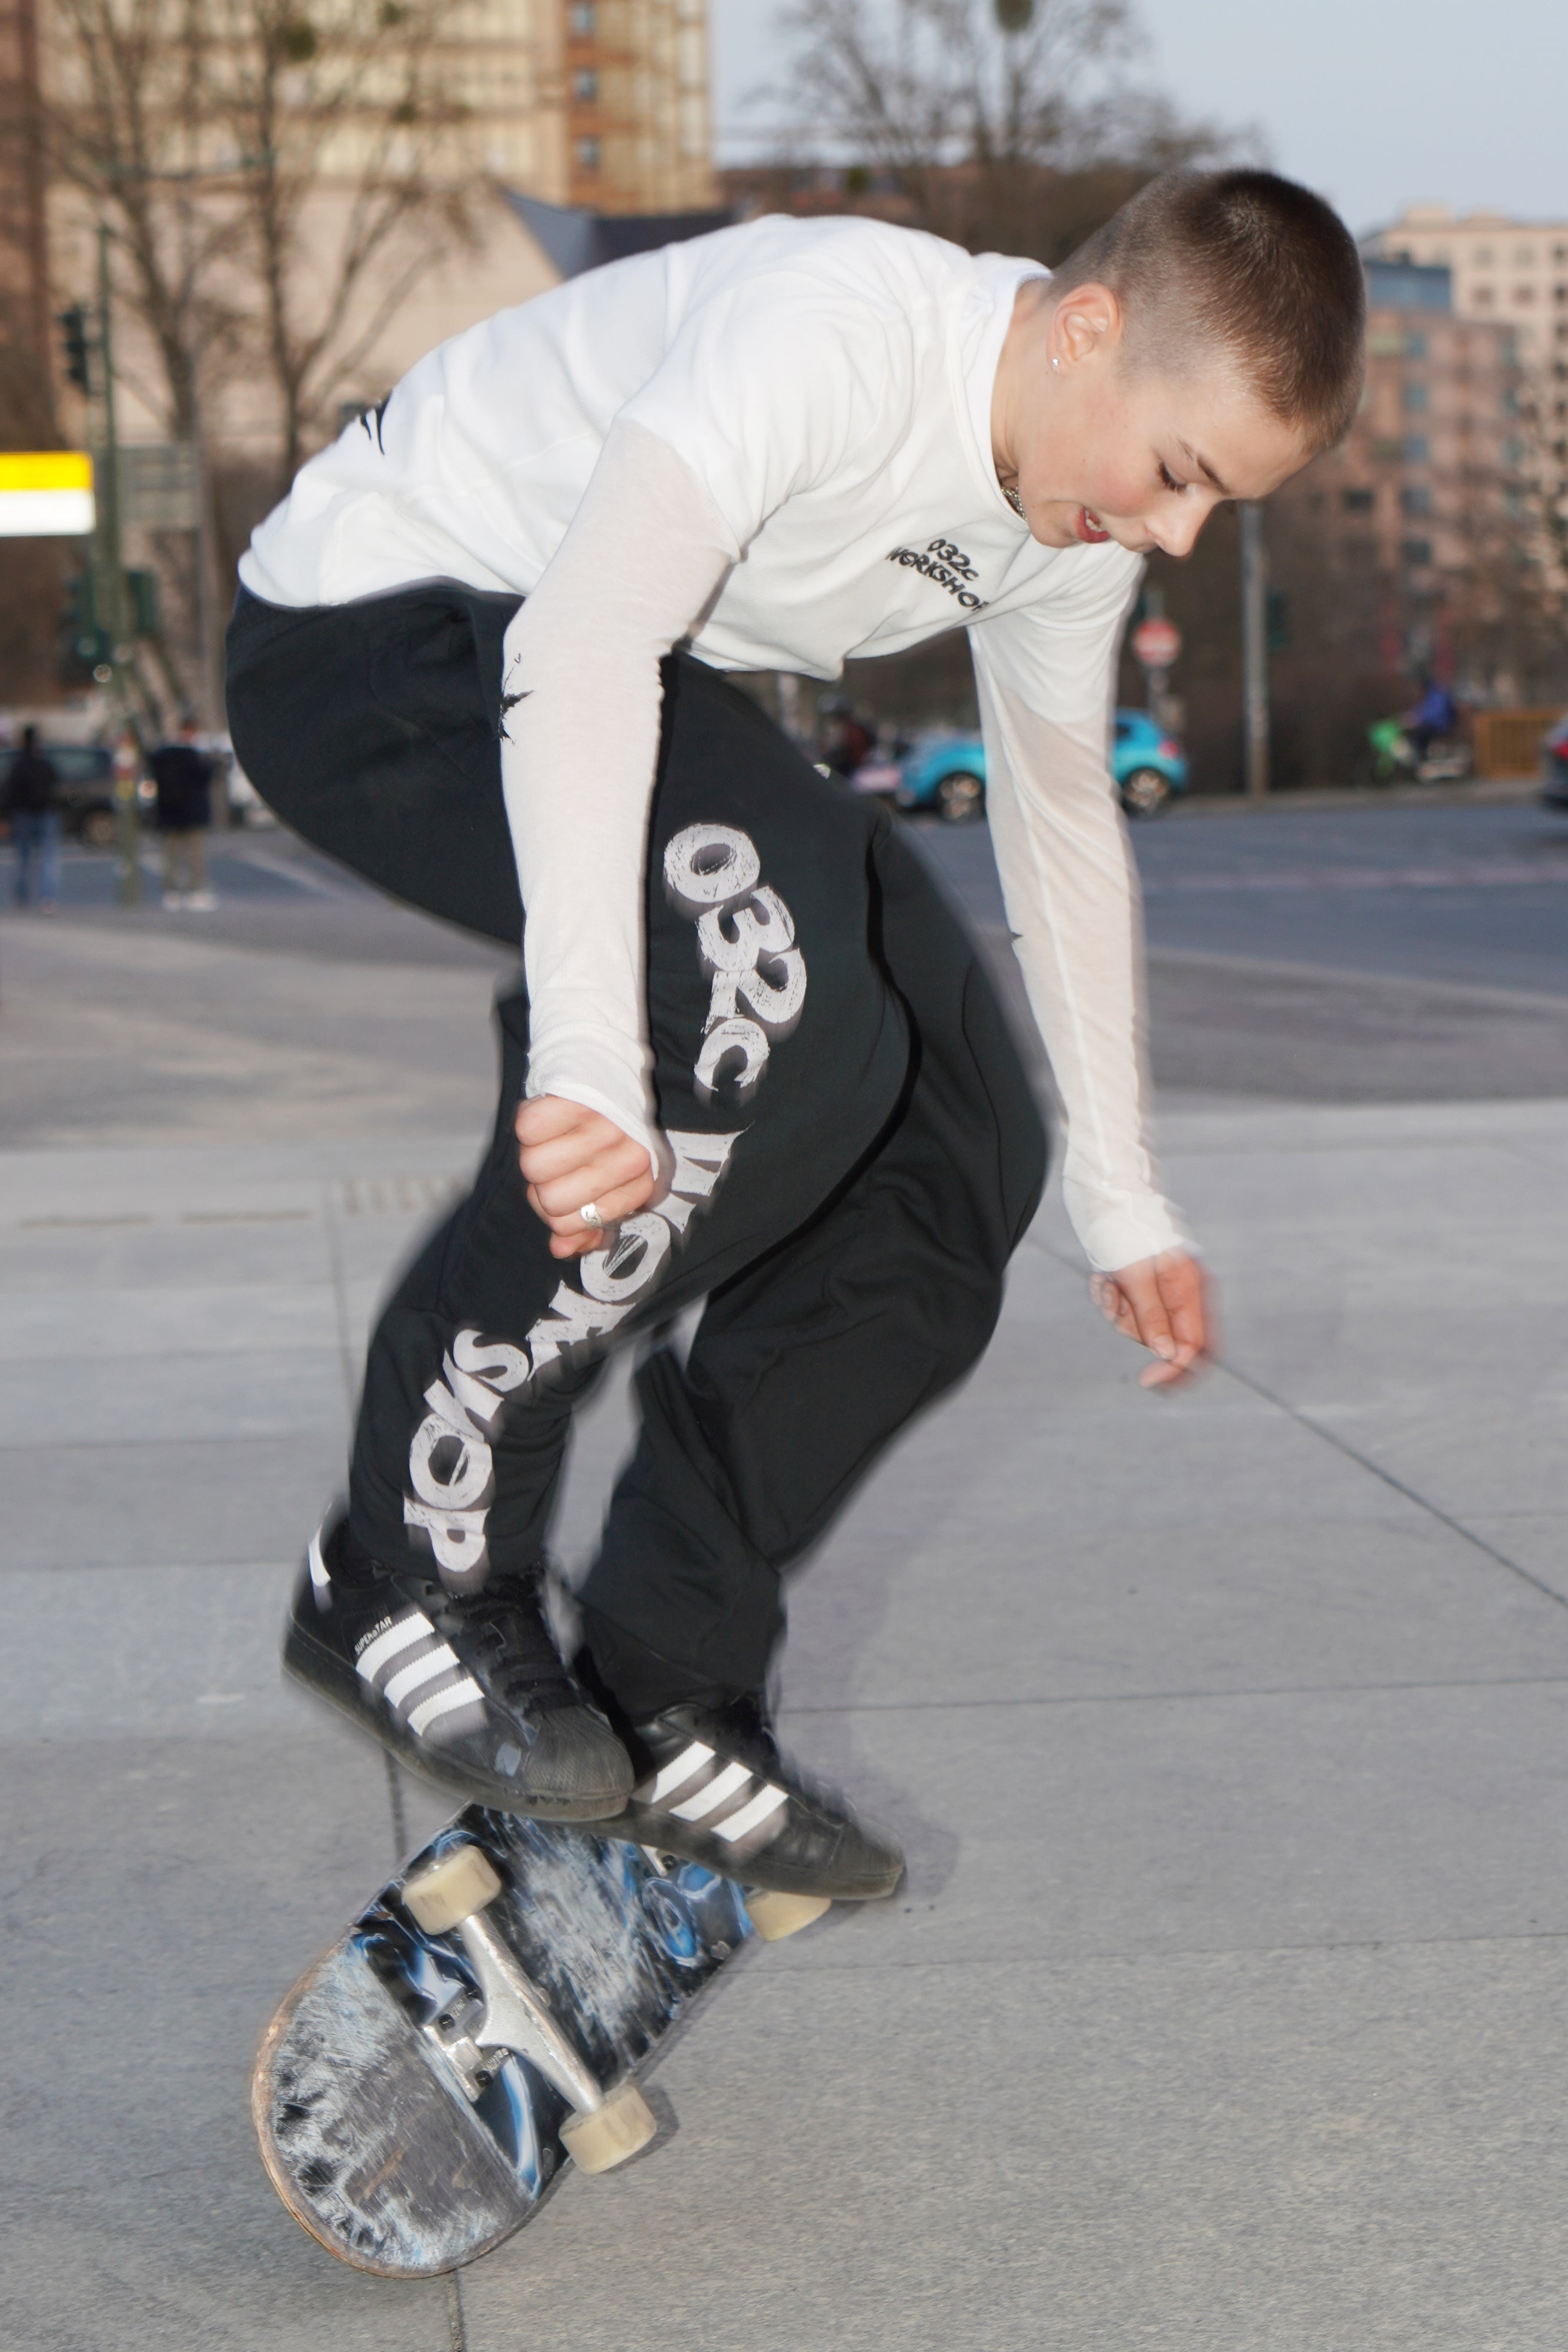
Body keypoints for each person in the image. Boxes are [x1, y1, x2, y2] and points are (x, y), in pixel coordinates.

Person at [226, 169, 1366, 1905]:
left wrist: (1123, 1192)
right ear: (1086, 333)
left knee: (960, 1130)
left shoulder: (1062, 508)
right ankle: (402, 1560)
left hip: (593, 669)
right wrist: (595, 1053)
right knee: (765, 986)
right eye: (1183, 475)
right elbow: (585, 637)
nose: (1176, 535)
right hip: (382, 634)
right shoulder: (836, 331)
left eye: (1220, 507)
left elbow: (1057, 818)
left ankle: (664, 1667)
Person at [148, 714, 216, 909]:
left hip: (169, 812)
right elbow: (206, 777)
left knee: (171, 857)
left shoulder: (163, 754)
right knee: (195, 856)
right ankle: (196, 893)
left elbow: (152, 769)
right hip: (194, 812)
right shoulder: (194, 755)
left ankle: (172, 894)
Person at [4, 723, 62, 912]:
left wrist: (6, 816)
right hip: (45, 813)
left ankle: (22, 899)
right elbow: (56, 785)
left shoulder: (18, 765)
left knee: (23, 859)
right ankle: (48, 899)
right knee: (48, 858)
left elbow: (9, 792)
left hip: (23, 816)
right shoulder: (45, 764)